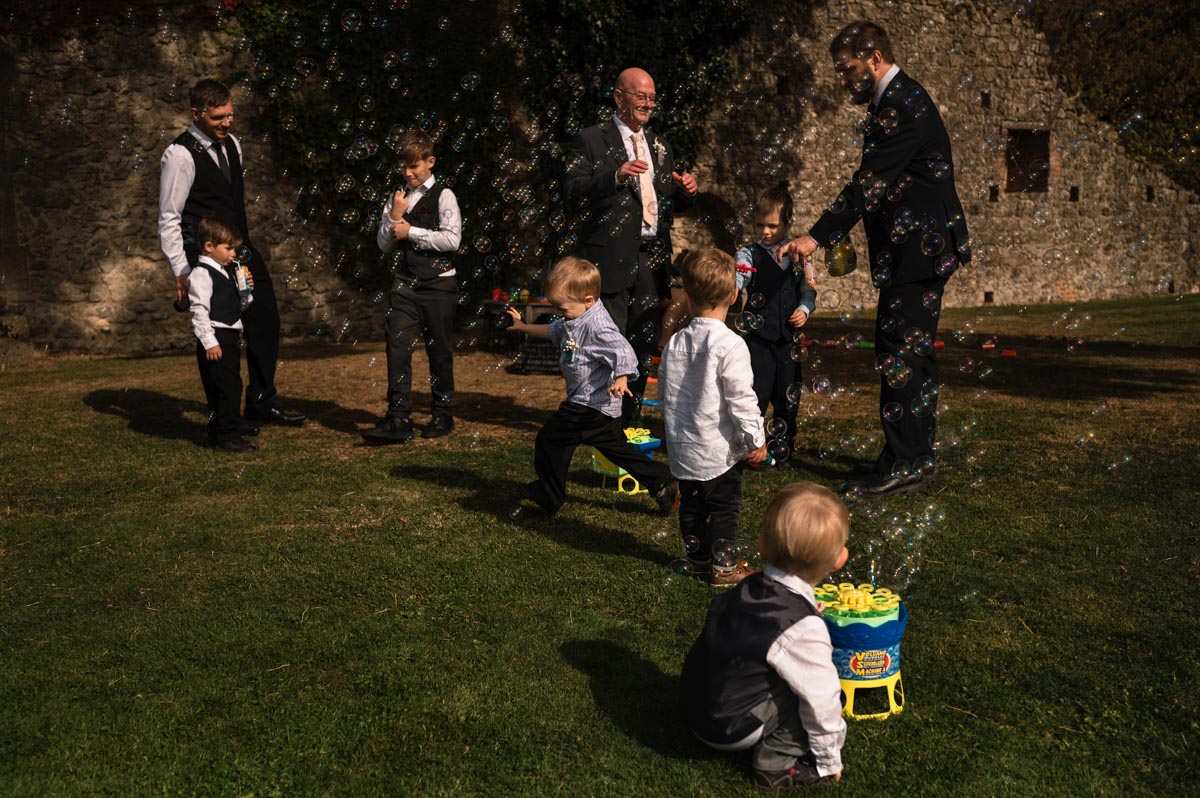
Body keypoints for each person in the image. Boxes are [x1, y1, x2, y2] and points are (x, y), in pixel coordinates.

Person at [781, 21, 971, 496]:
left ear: (875, 58)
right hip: (920, 250)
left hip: (917, 253)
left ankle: (905, 461)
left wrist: (816, 237)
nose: (843, 81)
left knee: (900, 355)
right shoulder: (897, 100)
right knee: (913, 356)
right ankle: (913, 455)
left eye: (847, 70)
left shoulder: (902, 104)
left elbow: (870, 183)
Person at [679, 481, 849, 789]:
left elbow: (773, 625)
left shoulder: (748, 587)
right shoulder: (803, 628)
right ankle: (774, 765)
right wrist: (828, 759)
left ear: (762, 545)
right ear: (839, 559)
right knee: (811, 693)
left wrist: (807, 614)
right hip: (729, 728)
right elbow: (821, 699)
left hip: (695, 710)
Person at [158, 79, 305, 428]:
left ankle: (260, 401)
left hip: (241, 251)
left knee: (265, 320)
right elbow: (169, 217)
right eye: (218, 117)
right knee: (218, 335)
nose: (227, 123)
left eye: (231, 115)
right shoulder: (179, 155)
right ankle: (222, 416)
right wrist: (182, 268)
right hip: (205, 258)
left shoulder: (234, 145)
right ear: (196, 114)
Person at [563, 67, 699, 426]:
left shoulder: (660, 145)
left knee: (641, 343)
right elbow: (571, 191)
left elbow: (665, 205)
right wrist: (614, 177)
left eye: (653, 98)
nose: (648, 104)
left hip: (652, 259)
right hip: (608, 260)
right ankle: (600, 421)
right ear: (619, 96)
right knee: (609, 343)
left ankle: (629, 420)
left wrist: (685, 195)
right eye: (641, 96)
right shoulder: (591, 139)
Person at [505, 256, 679, 518]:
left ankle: (548, 496)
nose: (561, 316)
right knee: (617, 450)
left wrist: (621, 378)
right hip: (600, 408)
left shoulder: (598, 325)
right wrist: (523, 327)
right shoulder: (574, 318)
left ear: (588, 300)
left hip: (586, 406)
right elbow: (554, 331)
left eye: (563, 309)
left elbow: (624, 352)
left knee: (549, 441)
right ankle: (662, 481)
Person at [659, 248, 766, 586]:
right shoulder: (731, 345)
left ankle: (697, 560)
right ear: (735, 296)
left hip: (683, 447)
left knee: (691, 507)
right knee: (723, 509)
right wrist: (755, 439)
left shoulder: (675, 342)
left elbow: (665, 393)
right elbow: (742, 400)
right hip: (718, 452)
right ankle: (724, 568)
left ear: (687, 297)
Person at [364, 129, 463, 444]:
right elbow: (383, 245)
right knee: (397, 348)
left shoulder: (444, 195)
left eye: (415, 167)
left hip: (438, 285)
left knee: (439, 351)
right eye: (404, 168)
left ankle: (442, 413)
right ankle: (397, 418)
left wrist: (412, 233)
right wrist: (393, 219)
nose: (408, 173)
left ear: (430, 162)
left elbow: (452, 239)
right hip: (405, 285)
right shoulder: (397, 197)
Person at [734, 184, 817, 463]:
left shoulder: (801, 256)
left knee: (787, 395)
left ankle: (782, 447)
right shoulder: (748, 254)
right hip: (757, 339)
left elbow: (809, 290)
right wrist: (733, 286)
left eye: (772, 225)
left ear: (787, 223)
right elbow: (740, 275)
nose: (765, 232)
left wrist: (804, 309)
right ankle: (752, 446)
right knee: (755, 393)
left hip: (788, 341)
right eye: (759, 225)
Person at [187, 216, 256, 453]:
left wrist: (245, 290)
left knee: (227, 385)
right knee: (227, 388)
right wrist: (209, 342)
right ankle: (228, 436)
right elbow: (199, 310)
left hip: (229, 335)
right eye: (228, 248)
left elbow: (239, 307)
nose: (233, 253)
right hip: (217, 337)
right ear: (209, 247)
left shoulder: (225, 272)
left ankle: (219, 431)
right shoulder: (202, 273)